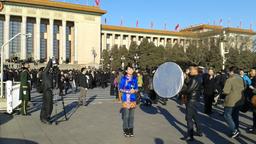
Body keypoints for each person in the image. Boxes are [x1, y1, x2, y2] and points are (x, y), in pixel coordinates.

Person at [181, 66, 202, 141]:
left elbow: (188, 90)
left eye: (190, 70)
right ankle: (199, 131)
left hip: (191, 100)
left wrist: (180, 91)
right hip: (195, 99)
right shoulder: (198, 77)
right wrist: (186, 76)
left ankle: (190, 135)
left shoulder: (194, 79)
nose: (189, 71)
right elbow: (188, 83)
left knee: (188, 118)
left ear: (195, 70)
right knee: (195, 116)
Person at [223, 66, 245, 138]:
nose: (228, 73)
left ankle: (235, 130)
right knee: (235, 116)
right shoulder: (241, 78)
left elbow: (226, 91)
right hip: (239, 101)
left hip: (231, 101)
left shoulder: (230, 79)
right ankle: (236, 130)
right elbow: (245, 87)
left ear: (232, 72)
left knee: (227, 115)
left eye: (229, 71)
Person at [119, 65, 138, 137]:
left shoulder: (134, 78)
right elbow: (120, 89)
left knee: (132, 116)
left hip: (133, 99)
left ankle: (131, 129)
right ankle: (125, 129)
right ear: (126, 71)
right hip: (125, 100)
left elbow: (136, 88)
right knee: (126, 116)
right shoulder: (123, 79)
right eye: (129, 69)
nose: (131, 70)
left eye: (132, 69)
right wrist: (128, 91)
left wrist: (135, 90)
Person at [40, 59, 54, 125]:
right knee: (47, 105)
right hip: (46, 91)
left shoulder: (49, 75)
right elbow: (48, 67)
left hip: (50, 90)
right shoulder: (44, 74)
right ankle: (44, 118)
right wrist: (50, 60)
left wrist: (52, 65)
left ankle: (48, 116)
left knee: (50, 105)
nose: (50, 69)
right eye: (49, 69)